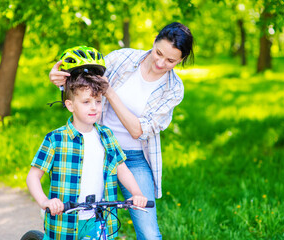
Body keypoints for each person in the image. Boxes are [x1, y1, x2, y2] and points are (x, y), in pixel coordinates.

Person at [49, 22, 194, 239]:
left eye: (171, 60)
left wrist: (110, 92)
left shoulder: (174, 89)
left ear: (181, 60)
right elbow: (83, 83)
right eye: (158, 53)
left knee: (149, 233)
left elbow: (138, 130)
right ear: (154, 41)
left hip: (133, 158)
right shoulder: (122, 58)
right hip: (96, 150)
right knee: (80, 221)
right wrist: (59, 80)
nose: (161, 63)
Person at [27, 46, 147, 240]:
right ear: (70, 105)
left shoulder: (106, 135)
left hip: (98, 222)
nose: (94, 107)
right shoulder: (56, 139)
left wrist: (136, 192)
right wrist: (45, 202)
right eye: (86, 102)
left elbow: (122, 168)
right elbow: (33, 177)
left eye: (98, 101)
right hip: (64, 223)